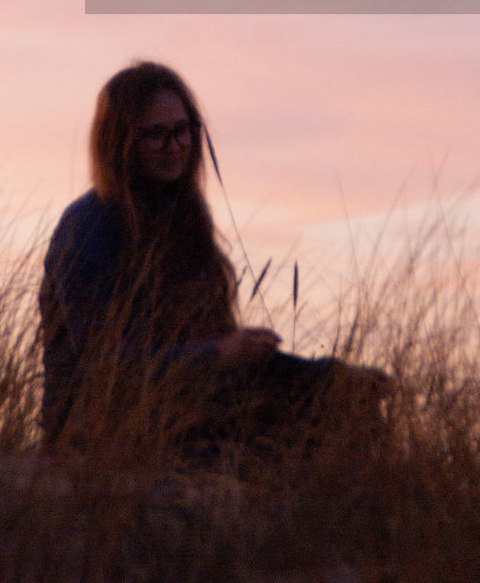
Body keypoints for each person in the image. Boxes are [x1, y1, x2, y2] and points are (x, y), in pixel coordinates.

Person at [39, 61, 390, 455]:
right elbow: (106, 366)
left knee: (347, 403)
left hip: (185, 407)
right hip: (98, 426)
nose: (174, 146)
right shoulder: (89, 225)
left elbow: (224, 363)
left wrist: (333, 377)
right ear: (119, 142)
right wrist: (218, 355)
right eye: (155, 134)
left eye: (182, 130)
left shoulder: (184, 222)